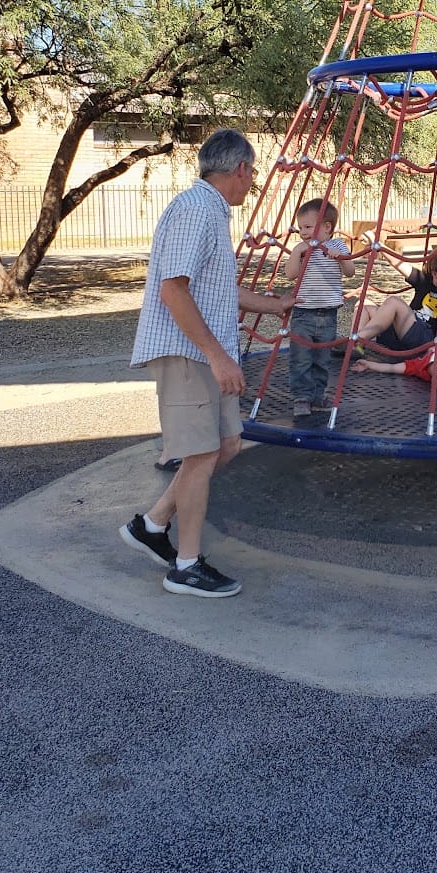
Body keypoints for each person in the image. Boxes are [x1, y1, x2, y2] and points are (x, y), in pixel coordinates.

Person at [119, 128, 294, 597]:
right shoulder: (197, 211)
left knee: (226, 445)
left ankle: (153, 526)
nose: (252, 180)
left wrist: (273, 306)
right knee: (200, 455)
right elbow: (173, 290)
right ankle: (187, 566)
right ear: (239, 169)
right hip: (188, 353)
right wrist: (217, 357)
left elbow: (215, 289)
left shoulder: (212, 213)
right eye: (252, 172)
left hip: (204, 352)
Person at [284, 197, 354, 420]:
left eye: (307, 227)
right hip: (303, 313)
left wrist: (340, 258)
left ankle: (318, 394)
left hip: (328, 313)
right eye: (300, 227)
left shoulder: (338, 246)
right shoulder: (303, 249)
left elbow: (351, 271)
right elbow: (290, 274)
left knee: (322, 358)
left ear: (326, 227)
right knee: (301, 357)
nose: (303, 232)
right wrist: (297, 253)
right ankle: (302, 397)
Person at [356, 246, 437, 356]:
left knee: (394, 302)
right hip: (403, 333)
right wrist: (379, 246)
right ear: (435, 274)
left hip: (425, 338)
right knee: (363, 304)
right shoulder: (424, 281)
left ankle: (356, 340)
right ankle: (357, 348)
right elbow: (398, 264)